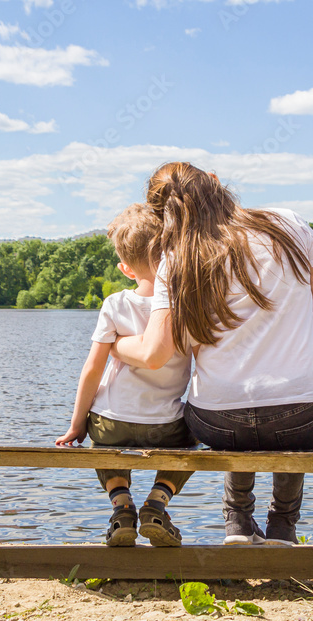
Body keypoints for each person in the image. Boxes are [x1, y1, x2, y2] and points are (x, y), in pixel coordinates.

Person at [112, 162, 313, 546]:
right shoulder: (288, 224)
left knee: (235, 416)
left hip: (218, 422)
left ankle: (237, 522)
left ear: (163, 215)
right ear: (216, 183)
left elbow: (154, 353)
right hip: (308, 416)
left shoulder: (175, 260)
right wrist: (292, 364)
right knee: (292, 412)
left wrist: (115, 345)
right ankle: (283, 528)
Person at [55, 203, 194, 548]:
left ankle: (121, 508)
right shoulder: (186, 303)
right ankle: (157, 503)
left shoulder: (115, 304)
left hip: (111, 422)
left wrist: (77, 424)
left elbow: (92, 369)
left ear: (125, 269)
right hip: (166, 426)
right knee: (193, 441)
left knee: (101, 441)